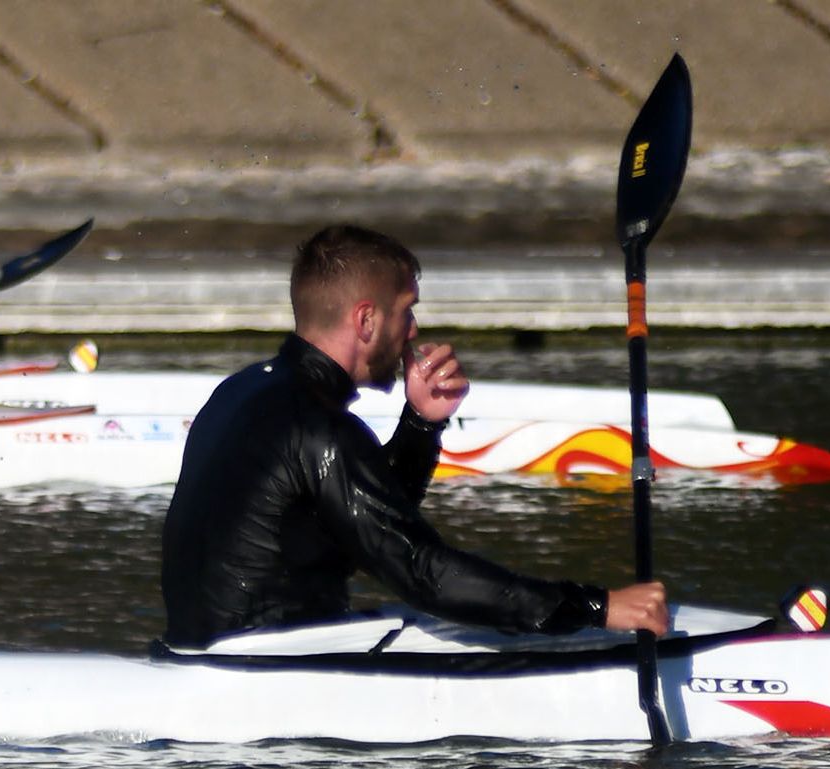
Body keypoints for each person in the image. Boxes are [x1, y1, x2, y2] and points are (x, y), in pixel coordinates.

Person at [160, 224, 668, 649]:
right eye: (406, 311)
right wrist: (599, 606)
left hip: (212, 648)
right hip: (272, 667)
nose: (413, 329)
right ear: (366, 320)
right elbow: (421, 571)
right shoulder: (321, 429)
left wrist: (422, 424)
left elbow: (367, 528)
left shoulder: (239, 391)